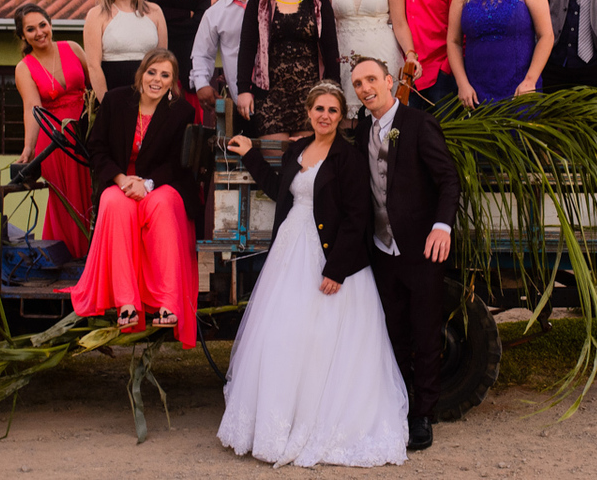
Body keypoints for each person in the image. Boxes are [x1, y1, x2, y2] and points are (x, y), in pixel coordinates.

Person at [219, 81, 408, 468]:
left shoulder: (348, 158)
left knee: (321, 335)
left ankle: (321, 419)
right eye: (319, 109)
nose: (325, 116)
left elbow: (358, 218)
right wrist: (252, 154)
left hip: (329, 257)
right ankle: (277, 422)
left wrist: (336, 269)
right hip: (290, 249)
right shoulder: (296, 149)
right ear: (308, 112)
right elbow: (279, 189)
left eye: (332, 111)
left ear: (341, 117)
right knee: (282, 333)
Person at [351, 57, 460, 451]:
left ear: (388, 80)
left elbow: (448, 178)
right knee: (392, 333)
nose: (365, 89)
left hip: (421, 247)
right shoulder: (361, 130)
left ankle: (424, 415)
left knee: (426, 333)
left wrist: (442, 226)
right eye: (358, 83)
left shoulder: (418, 123)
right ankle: (397, 406)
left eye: (370, 80)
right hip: (381, 249)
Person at [69, 48, 200, 346]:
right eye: (152, 72)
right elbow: (97, 149)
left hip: (162, 183)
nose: (157, 80)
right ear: (141, 74)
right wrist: (121, 179)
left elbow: (181, 163)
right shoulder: (116, 101)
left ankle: (168, 303)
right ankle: (126, 303)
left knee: (162, 205)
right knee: (114, 203)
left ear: (172, 83)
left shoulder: (182, 112)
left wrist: (149, 183)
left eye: (165, 75)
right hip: (122, 180)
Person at [237, 0, 341, 140]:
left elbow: (330, 50)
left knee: (305, 162)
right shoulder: (259, 0)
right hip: (270, 96)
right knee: (274, 159)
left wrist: (333, 92)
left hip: (311, 96)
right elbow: (247, 48)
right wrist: (243, 90)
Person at [13, 3, 93, 259]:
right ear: (23, 35)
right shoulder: (24, 67)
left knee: (93, 193)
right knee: (67, 201)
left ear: (50, 24)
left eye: (42, 25)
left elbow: (95, 85)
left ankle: (94, 256)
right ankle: (69, 258)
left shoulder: (73, 48)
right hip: (55, 142)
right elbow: (31, 108)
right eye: (30, 29)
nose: (39, 32)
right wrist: (28, 149)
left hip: (86, 131)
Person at [190, 0, 260, 133]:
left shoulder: (271, 2)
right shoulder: (214, 14)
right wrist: (202, 84)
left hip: (277, 99)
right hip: (241, 102)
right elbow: (202, 53)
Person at [83, 0, 167, 100]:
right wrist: (107, 104)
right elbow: (93, 67)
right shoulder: (96, 15)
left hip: (149, 95)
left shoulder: (155, 12)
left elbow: (162, 61)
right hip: (113, 93)